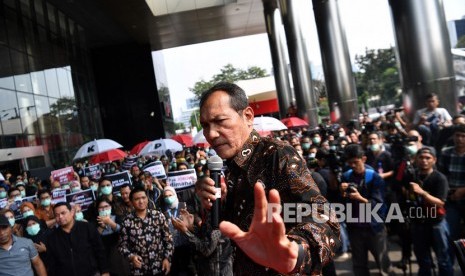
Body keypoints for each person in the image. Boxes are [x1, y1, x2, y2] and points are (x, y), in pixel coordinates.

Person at [196, 82, 340, 275]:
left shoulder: (276, 154)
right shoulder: (229, 169)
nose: (211, 134)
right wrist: (214, 207)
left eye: (220, 121)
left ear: (247, 116)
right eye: (205, 125)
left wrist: (296, 252)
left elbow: (323, 216)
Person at [340, 144, 391, 276]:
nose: (352, 165)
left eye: (355, 162)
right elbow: (342, 202)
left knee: (382, 264)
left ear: (363, 159)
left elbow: (378, 204)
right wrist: (342, 192)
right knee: (359, 265)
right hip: (355, 227)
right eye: (349, 162)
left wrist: (360, 198)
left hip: (374, 227)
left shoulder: (374, 177)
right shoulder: (346, 176)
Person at [409, 147, 453, 275]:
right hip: (418, 222)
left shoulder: (440, 178)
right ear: (416, 159)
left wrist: (422, 193)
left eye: (428, 158)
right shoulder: (412, 175)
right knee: (423, 261)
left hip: (436, 224)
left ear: (434, 160)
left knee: (443, 259)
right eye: (421, 158)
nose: (424, 161)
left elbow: (440, 202)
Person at [118, 186, 173, 275]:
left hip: (160, 266)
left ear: (147, 199)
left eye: (143, 198)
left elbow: (169, 240)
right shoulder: (127, 222)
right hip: (139, 269)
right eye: (137, 199)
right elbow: (122, 246)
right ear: (131, 202)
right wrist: (131, 257)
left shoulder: (158, 216)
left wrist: (167, 258)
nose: (141, 201)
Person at [45, 202, 110, 276]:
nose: (60, 217)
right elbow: (52, 264)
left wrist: (105, 271)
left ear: (72, 212)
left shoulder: (87, 228)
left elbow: (100, 250)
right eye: (56, 215)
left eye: (63, 213)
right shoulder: (52, 238)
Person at [438, 124, 465, 257]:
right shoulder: (446, 153)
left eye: (463, 136)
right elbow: (441, 176)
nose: (460, 139)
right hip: (451, 198)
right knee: (450, 233)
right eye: (457, 136)